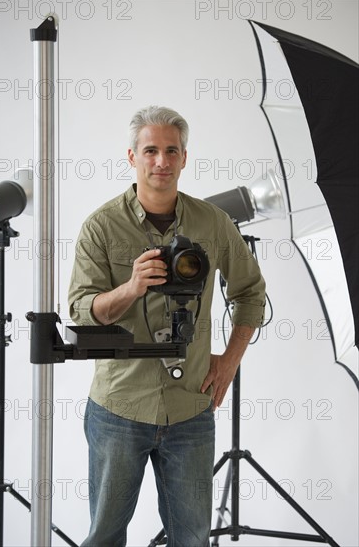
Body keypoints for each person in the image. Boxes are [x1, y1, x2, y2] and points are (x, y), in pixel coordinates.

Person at [68, 105, 266, 547]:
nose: (161, 161)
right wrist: (131, 287)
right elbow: (81, 310)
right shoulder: (101, 226)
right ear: (132, 156)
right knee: (103, 535)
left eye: (171, 151)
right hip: (120, 406)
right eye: (151, 150)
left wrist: (230, 361)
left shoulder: (213, 223)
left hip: (192, 408)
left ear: (184, 158)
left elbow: (251, 292)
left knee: (192, 537)